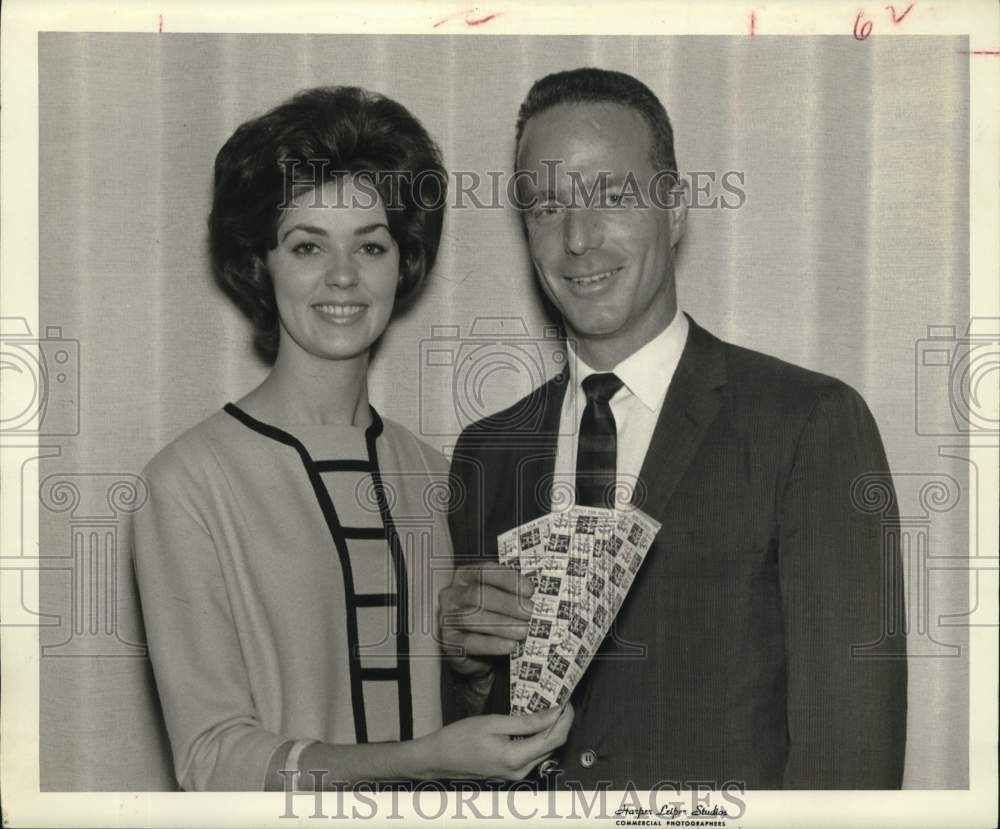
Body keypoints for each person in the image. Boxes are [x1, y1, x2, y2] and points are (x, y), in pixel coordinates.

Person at [441, 68, 906, 790]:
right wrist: (469, 669)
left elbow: (851, 767)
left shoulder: (807, 424)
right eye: (546, 206)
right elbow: (479, 752)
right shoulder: (488, 450)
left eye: (614, 196)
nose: (578, 239)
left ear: (677, 208)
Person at [132, 85, 572, 792]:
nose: (342, 276)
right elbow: (212, 761)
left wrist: (469, 662)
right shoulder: (187, 483)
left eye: (370, 244)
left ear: (404, 263)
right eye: (307, 245)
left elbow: (462, 706)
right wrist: (424, 756)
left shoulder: (436, 475)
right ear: (260, 262)